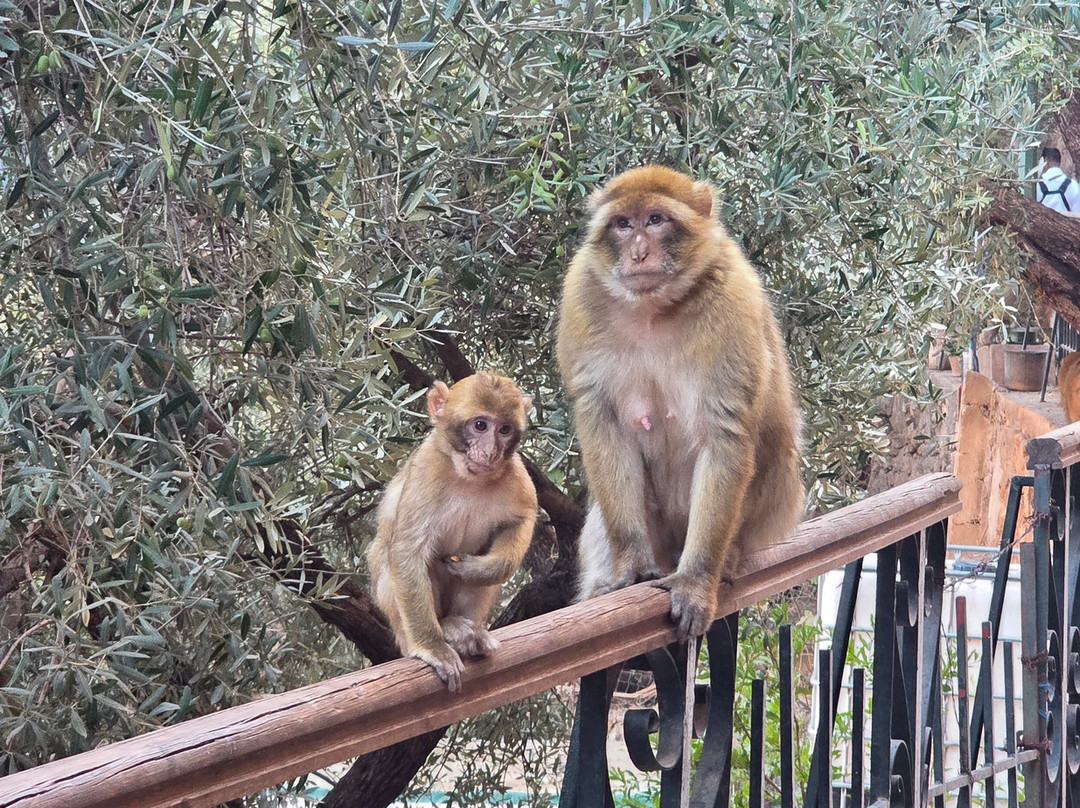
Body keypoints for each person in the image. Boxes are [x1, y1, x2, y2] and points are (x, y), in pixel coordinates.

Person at [1037, 147, 1080, 213]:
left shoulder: (1036, 186)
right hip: (1068, 223)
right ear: (1060, 162)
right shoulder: (1073, 186)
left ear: (1046, 161)